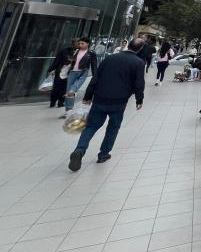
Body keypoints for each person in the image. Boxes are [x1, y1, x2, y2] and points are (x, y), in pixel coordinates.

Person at [68, 38, 145, 171]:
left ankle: (79, 150)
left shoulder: (110, 58)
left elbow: (96, 77)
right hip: (119, 101)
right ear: (140, 48)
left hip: (100, 98)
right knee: (113, 127)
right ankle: (103, 154)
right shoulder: (138, 62)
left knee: (91, 126)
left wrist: (88, 96)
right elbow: (139, 83)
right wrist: (139, 99)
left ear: (129, 44)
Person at [63, 38, 97, 114]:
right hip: (72, 72)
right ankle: (68, 110)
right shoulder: (76, 51)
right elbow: (69, 60)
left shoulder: (91, 53)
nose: (80, 45)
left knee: (73, 90)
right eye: (79, 44)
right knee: (68, 91)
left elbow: (94, 65)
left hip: (83, 72)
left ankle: (69, 109)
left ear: (87, 44)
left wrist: (95, 76)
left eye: (82, 43)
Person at [47, 39, 76, 108]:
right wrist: (51, 69)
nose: (79, 45)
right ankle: (53, 102)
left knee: (64, 89)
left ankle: (60, 102)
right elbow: (57, 60)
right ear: (73, 44)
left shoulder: (79, 53)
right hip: (61, 71)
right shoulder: (64, 51)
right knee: (57, 88)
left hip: (69, 73)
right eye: (78, 43)